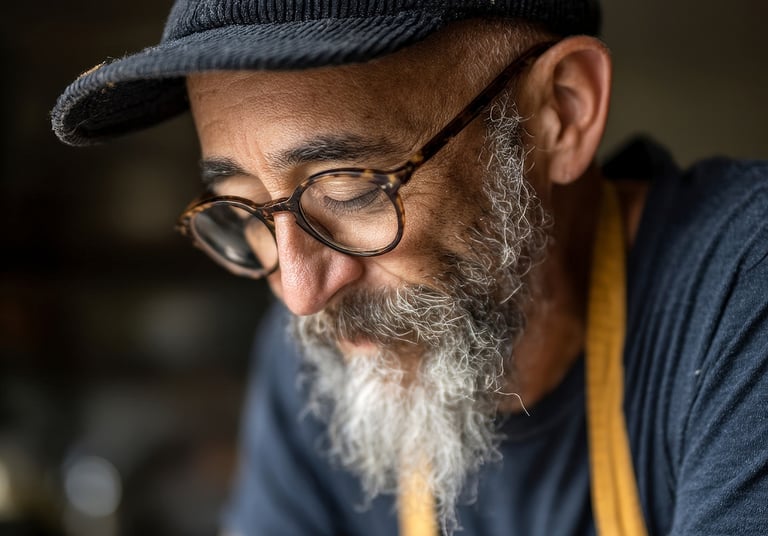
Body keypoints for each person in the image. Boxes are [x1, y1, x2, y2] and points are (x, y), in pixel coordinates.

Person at [52, 1, 768, 535]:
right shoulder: (328, 355)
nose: (301, 297)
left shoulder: (744, 285)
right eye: (244, 208)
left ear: (563, 110)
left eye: (352, 187)